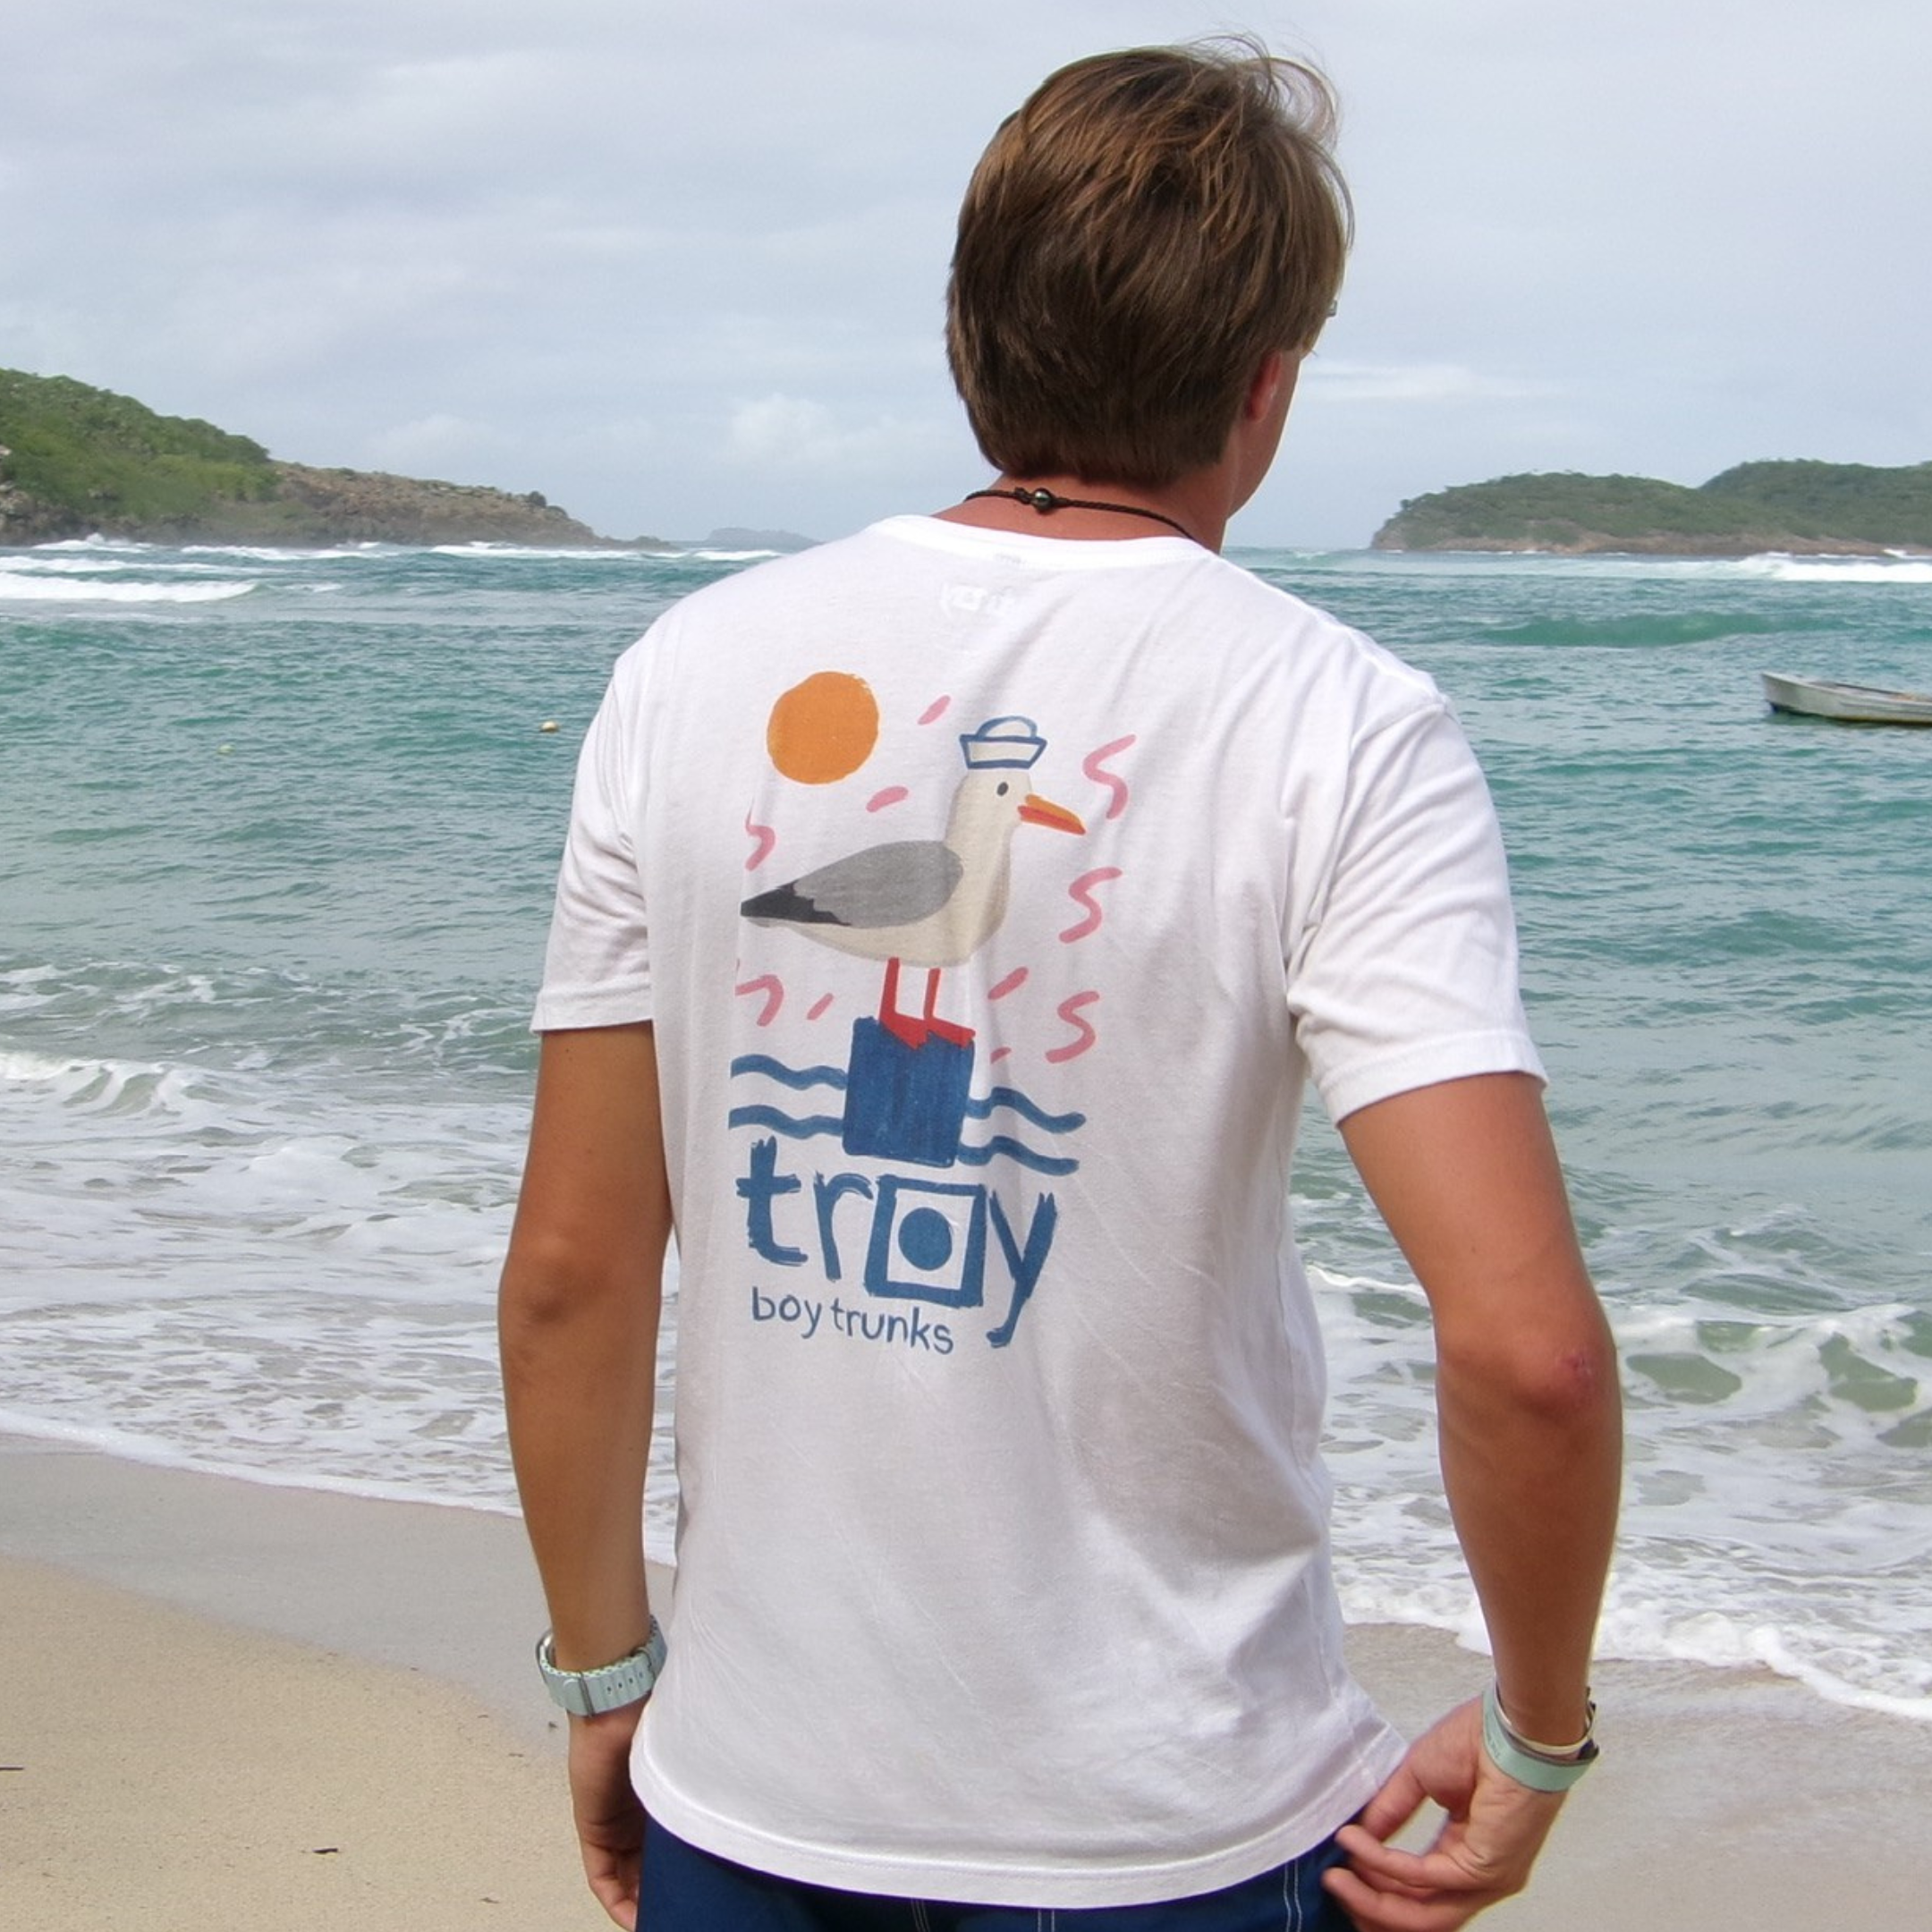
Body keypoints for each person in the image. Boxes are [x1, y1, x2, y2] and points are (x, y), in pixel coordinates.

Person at [500, 37, 1621, 1932]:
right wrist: (1537, 1735)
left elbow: (571, 1271)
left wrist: (608, 1680)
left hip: (755, 1801)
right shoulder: (1342, 724)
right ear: (1270, 390)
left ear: (964, 338)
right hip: (1175, 1824)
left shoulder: (687, 675)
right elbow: (1531, 1353)